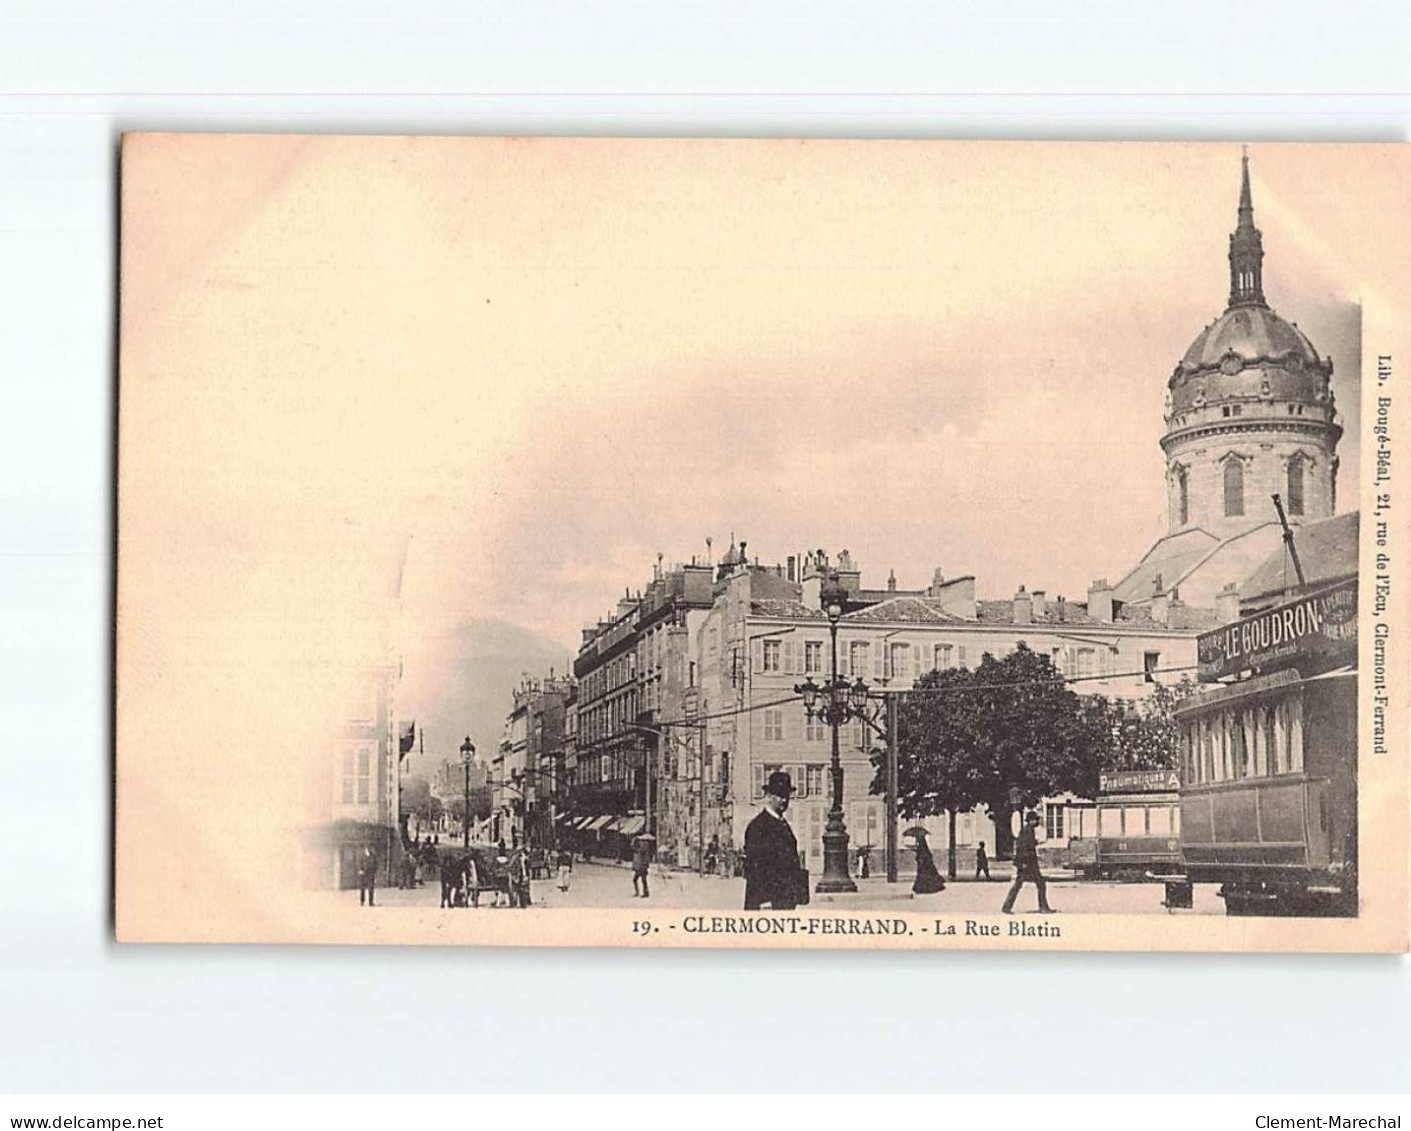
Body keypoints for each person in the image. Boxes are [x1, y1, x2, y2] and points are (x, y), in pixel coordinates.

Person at [743, 770, 805, 911]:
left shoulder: (783, 824)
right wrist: (764, 900)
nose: (784, 800)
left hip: (784, 899)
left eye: (786, 796)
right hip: (767, 902)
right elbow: (755, 867)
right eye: (779, 795)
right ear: (769, 796)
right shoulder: (759, 826)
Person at [1002, 812, 1055, 914]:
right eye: (1036, 820)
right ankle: (1043, 907)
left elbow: (1028, 845)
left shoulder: (1027, 830)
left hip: (1027, 863)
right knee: (1039, 884)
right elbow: (1023, 848)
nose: (1037, 822)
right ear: (1031, 821)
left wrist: (1037, 842)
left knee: (1023, 884)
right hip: (1027, 863)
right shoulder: (1027, 831)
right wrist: (1024, 863)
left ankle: (1007, 907)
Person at [910, 829, 945, 895]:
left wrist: (918, 854)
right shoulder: (922, 843)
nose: (916, 838)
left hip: (924, 864)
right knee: (925, 876)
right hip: (924, 863)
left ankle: (923, 889)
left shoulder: (921, 843)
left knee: (923, 876)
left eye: (917, 837)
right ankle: (925, 889)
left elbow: (923, 853)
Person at [631, 832, 654, 898]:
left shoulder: (641, 847)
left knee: (638, 880)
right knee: (642, 880)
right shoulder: (643, 846)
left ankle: (641, 892)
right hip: (641, 866)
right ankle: (645, 892)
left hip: (641, 867)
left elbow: (634, 848)